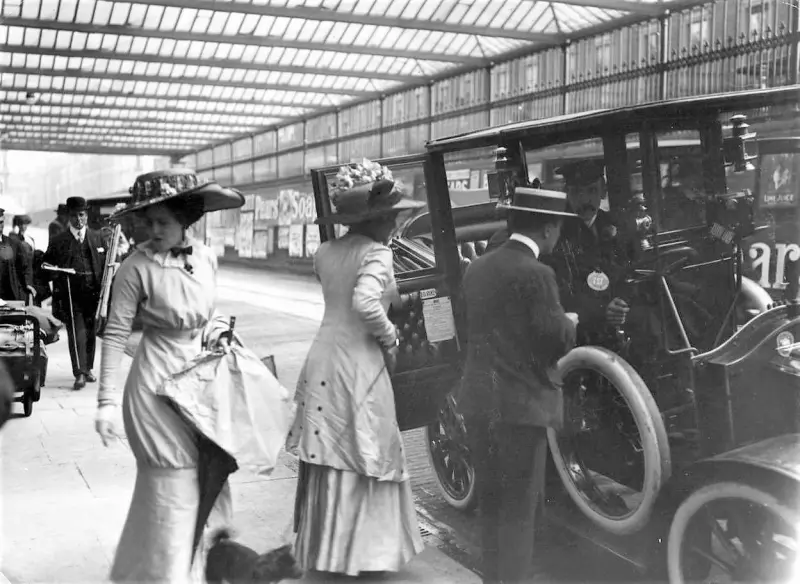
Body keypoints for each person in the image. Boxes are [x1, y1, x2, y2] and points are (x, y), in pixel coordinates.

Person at [93, 169, 248, 582]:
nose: (154, 229)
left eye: (163, 221)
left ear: (186, 219)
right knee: (172, 485)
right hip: (155, 390)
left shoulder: (206, 256)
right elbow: (115, 335)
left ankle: (189, 571)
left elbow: (208, 314)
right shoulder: (135, 267)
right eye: (149, 221)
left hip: (200, 385)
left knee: (205, 477)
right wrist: (106, 403)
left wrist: (218, 333)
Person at [286, 165, 426, 578]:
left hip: (323, 357)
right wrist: (390, 338)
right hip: (359, 362)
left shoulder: (325, 253)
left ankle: (328, 547)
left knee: (330, 449)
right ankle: (366, 552)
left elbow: (342, 297)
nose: (396, 225)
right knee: (367, 444)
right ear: (377, 219)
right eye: (393, 218)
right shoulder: (378, 253)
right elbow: (367, 303)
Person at [457, 185, 578, 584]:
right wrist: (570, 324)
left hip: (480, 403)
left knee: (491, 506)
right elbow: (553, 340)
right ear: (548, 229)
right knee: (519, 515)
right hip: (521, 410)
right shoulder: (538, 274)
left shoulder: (477, 267)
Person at [548, 159, 631, 344]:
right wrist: (603, 311)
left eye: (592, 191)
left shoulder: (615, 225)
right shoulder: (555, 234)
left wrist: (622, 304)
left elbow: (628, 270)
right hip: (582, 328)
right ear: (566, 194)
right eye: (577, 192)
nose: (585, 200)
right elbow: (559, 292)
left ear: (603, 192)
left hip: (621, 318)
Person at [43, 197, 106, 390]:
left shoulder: (97, 238)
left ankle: (88, 369)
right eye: (74, 216)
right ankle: (79, 372)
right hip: (71, 295)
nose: (79, 220)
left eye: (82, 215)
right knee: (77, 332)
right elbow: (46, 266)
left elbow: (104, 266)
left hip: (93, 293)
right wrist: (57, 273)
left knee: (90, 332)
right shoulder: (58, 241)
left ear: (86, 215)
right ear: (68, 217)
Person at [0, 209, 35, 302]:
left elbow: (24, 265)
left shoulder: (10, 243)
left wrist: (27, 283)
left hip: (9, 296)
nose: (0, 226)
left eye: (1, 222)